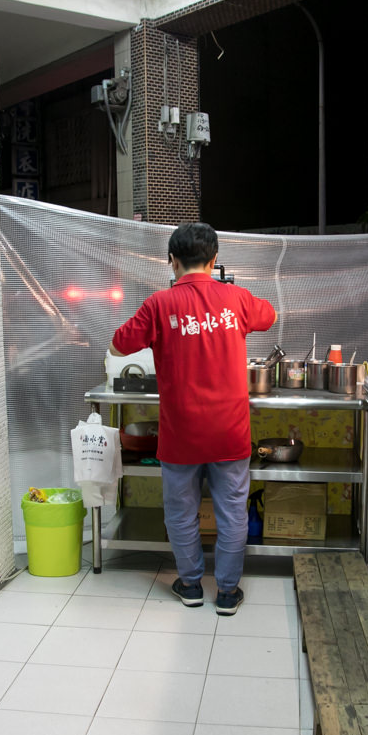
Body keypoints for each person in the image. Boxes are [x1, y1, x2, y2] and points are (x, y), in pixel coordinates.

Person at [109, 222, 277, 615]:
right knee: (232, 512)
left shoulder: (159, 304)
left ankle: (189, 585)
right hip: (229, 432)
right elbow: (268, 315)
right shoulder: (236, 299)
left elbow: (119, 345)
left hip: (181, 434)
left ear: (172, 261)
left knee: (181, 513)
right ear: (215, 260)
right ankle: (228, 592)